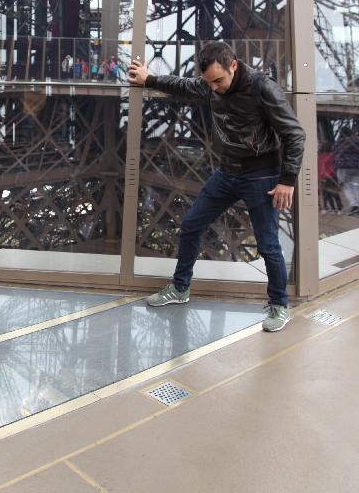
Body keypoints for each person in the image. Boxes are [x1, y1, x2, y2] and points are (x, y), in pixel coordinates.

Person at [128, 42, 305, 332]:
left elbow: (295, 134)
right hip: (227, 172)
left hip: (261, 176)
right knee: (191, 224)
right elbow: (184, 86)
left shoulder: (263, 87)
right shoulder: (211, 85)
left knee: (268, 245)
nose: (213, 88)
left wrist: (287, 180)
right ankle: (180, 288)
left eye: (218, 81)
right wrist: (150, 79)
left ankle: (279, 305)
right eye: (209, 82)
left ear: (233, 64)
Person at [333, 126, 359, 216]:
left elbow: (334, 151)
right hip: (357, 166)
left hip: (343, 167)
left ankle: (353, 205)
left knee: (346, 186)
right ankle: (358, 206)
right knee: (355, 186)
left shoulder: (340, 142)